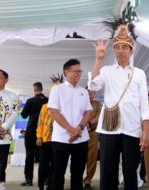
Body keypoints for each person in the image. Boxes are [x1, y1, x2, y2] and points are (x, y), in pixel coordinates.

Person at [88, 14, 149, 190]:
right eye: (117, 47)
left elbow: (144, 104)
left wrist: (145, 130)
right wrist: (99, 59)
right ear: (114, 51)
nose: (121, 50)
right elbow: (92, 86)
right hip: (109, 128)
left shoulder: (140, 73)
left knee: (130, 170)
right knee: (108, 170)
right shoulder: (107, 71)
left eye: (125, 47)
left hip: (132, 129)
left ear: (131, 51)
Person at [48, 59, 92, 190]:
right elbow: (54, 112)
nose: (78, 74)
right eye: (75, 71)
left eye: (80, 71)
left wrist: (78, 129)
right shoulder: (57, 89)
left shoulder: (83, 91)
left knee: (78, 174)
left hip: (81, 138)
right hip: (61, 138)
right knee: (58, 173)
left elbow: (87, 112)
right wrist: (70, 130)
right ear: (66, 72)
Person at [20, 82, 48, 186]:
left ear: (34, 89)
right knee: (44, 156)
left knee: (29, 155)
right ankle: (45, 179)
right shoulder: (48, 100)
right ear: (42, 89)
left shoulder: (30, 101)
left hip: (32, 130)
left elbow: (23, 115)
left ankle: (29, 180)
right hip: (45, 131)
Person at [83, 89, 101, 190]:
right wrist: (83, 125)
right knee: (79, 159)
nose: (90, 93)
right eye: (88, 91)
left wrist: (90, 123)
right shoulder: (79, 101)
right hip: (80, 133)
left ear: (94, 94)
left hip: (93, 134)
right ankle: (77, 180)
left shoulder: (97, 104)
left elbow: (99, 116)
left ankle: (87, 181)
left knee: (92, 159)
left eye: (92, 92)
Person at [36, 103, 54, 190]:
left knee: (56, 164)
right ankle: (40, 185)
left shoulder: (63, 105)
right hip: (46, 139)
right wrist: (39, 136)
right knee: (43, 164)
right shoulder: (45, 106)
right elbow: (40, 122)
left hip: (59, 140)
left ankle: (51, 184)